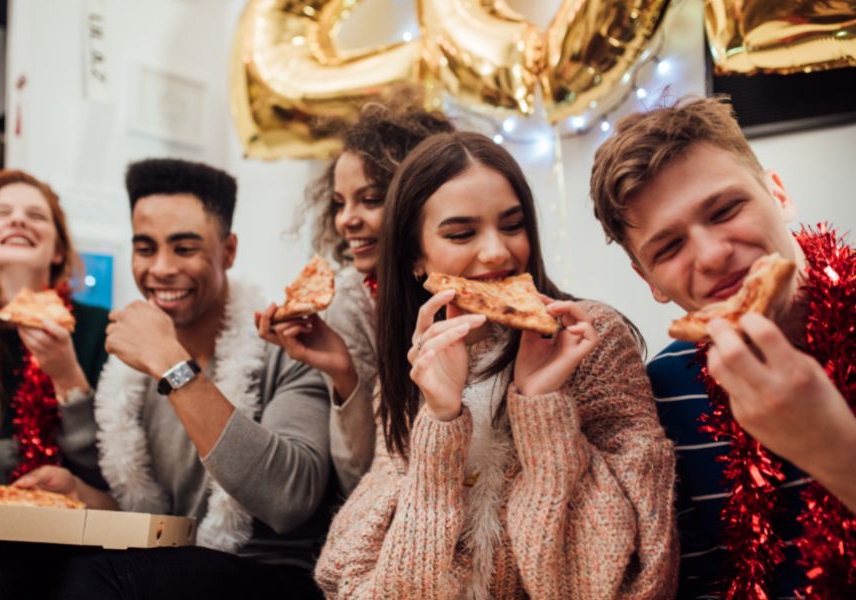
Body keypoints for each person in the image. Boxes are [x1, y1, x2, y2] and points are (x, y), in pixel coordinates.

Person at [315, 131, 678, 598]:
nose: (497, 253)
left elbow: (633, 583)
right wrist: (439, 422)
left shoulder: (590, 340)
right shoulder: (413, 371)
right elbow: (359, 584)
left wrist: (541, 406)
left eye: (512, 225)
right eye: (461, 233)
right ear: (414, 259)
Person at [16, 158, 332, 599]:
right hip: (171, 563)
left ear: (228, 251)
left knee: (101, 579)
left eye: (184, 249)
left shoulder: (288, 344)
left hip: (272, 576)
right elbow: (153, 515)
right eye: (145, 249)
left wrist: (172, 364)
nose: (160, 268)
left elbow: (288, 500)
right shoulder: (134, 365)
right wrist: (79, 491)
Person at [589, 96, 856, 598]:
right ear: (648, 279)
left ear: (778, 194)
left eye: (726, 209)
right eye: (668, 248)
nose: (712, 255)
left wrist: (832, 445)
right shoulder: (660, 396)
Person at [257, 103, 453, 493]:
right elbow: (358, 479)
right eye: (339, 203)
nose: (346, 219)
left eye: (370, 198)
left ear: (420, 198)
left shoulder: (473, 290)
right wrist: (343, 374)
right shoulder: (351, 302)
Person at [0, 169, 109, 597]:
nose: (18, 221)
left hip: (60, 545)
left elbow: (114, 475)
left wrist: (66, 376)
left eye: (35, 216)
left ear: (58, 248)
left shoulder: (96, 329)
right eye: (1, 213)